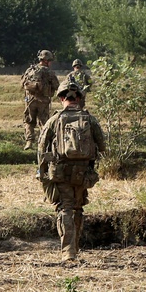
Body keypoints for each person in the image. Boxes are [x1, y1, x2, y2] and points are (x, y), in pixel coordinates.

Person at [37, 81, 106, 262]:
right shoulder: (89, 119)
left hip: (61, 171)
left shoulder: (54, 120)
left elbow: (41, 148)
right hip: (84, 173)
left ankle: (69, 252)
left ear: (61, 98)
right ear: (79, 99)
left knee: (65, 208)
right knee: (78, 208)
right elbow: (103, 146)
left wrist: (42, 172)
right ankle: (75, 247)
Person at [21, 49, 59, 150]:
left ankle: (29, 142)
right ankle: (44, 144)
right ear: (46, 61)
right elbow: (56, 85)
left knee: (29, 121)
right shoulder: (49, 72)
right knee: (44, 123)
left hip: (30, 100)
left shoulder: (30, 70)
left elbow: (22, 83)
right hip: (43, 101)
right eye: (50, 61)